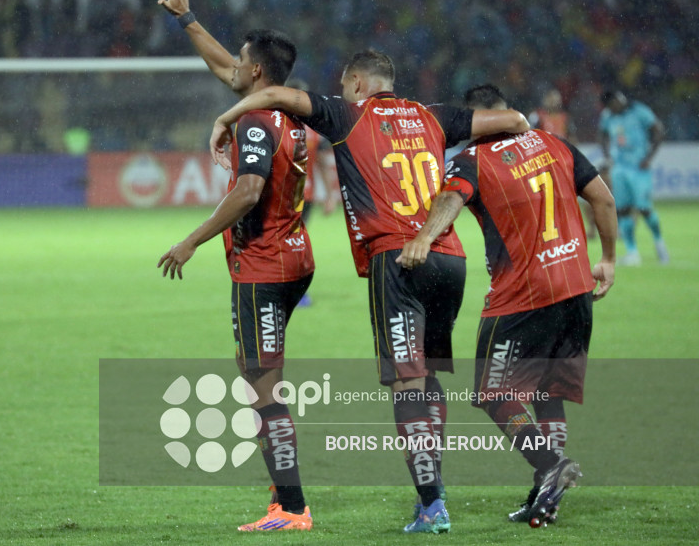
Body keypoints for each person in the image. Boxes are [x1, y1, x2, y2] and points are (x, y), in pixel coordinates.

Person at [210, 50, 530, 534]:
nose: (340, 95)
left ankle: (431, 504)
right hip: (450, 257)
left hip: (398, 260)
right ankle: (435, 489)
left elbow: (273, 92)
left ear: (357, 82)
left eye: (344, 86)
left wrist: (226, 116)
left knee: (406, 382)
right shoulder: (433, 116)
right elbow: (516, 120)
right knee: (429, 375)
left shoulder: (347, 114)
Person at [398, 84, 617, 526]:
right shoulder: (556, 144)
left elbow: (450, 200)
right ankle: (546, 496)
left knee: (494, 393)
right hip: (576, 288)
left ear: (479, 118)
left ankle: (550, 465)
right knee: (547, 393)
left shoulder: (474, 161)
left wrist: (423, 237)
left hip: (524, 296)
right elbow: (603, 199)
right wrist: (608, 259)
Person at [156, 0, 314, 532]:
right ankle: (285, 488)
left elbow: (248, 191)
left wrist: (192, 239)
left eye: (241, 61)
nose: (231, 70)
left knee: (262, 387)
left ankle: (291, 508)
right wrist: (188, 19)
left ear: (256, 71)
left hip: (263, 266)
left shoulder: (255, 124)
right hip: (295, 257)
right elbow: (227, 67)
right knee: (261, 376)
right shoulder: (292, 114)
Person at [285, 77, 338, 307]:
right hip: (287, 195)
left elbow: (321, 163)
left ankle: (293, 290)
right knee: (290, 242)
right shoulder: (282, 126)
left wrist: (329, 195)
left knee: (292, 242)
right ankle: (288, 289)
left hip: (301, 196)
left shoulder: (306, 129)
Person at [599, 89, 668, 265]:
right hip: (619, 168)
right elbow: (603, 135)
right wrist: (607, 156)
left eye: (611, 106)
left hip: (638, 168)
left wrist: (649, 157)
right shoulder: (608, 115)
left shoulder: (640, 111)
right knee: (622, 209)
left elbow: (658, 130)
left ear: (617, 100)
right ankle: (632, 253)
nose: (610, 110)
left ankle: (659, 242)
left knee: (644, 208)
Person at [529, 88, 599, 239]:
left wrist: (574, 157)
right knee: (546, 199)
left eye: (557, 97)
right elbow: (529, 137)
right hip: (543, 164)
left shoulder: (565, 118)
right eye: (551, 97)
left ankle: (590, 228)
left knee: (584, 195)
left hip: (564, 162)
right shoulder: (537, 116)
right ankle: (550, 229)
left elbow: (572, 138)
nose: (554, 101)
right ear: (545, 100)